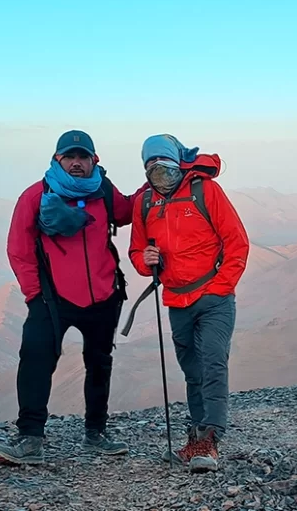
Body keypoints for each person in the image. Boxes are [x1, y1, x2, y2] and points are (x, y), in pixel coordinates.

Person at [0, 130, 148, 465]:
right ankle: (30, 440)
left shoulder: (103, 190)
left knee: (99, 364)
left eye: (82, 157)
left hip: (104, 295)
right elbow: (18, 249)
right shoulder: (36, 196)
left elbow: (126, 211)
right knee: (36, 361)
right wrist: (35, 295)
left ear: (94, 160)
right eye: (69, 157)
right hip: (51, 299)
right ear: (57, 159)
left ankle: (96, 433)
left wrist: (161, 176)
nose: (76, 163)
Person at [127, 134, 249, 473]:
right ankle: (196, 437)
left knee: (213, 362)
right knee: (192, 370)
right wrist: (144, 260)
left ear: (178, 162)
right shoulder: (145, 202)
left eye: (164, 167)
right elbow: (137, 251)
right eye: (151, 168)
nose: (159, 175)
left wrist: (220, 288)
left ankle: (210, 439)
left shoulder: (205, 191)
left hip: (213, 299)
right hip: (175, 300)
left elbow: (237, 242)